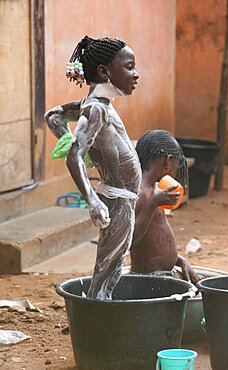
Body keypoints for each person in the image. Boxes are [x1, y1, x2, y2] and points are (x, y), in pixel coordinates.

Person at [45, 36, 141, 299]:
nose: (136, 75)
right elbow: (74, 155)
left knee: (112, 267)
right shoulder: (96, 110)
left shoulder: (96, 106)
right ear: (104, 72)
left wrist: (83, 148)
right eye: (129, 67)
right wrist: (93, 201)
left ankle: (99, 316)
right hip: (116, 202)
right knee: (108, 270)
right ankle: (98, 322)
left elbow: (53, 116)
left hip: (122, 200)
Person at [130, 130, 201, 283]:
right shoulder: (140, 194)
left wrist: (181, 262)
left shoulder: (156, 189)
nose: (176, 172)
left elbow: (157, 238)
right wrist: (153, 203)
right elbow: (130, 240)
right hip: (148, 280)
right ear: (168, 161)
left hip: (166, 273)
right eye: (176, 166)